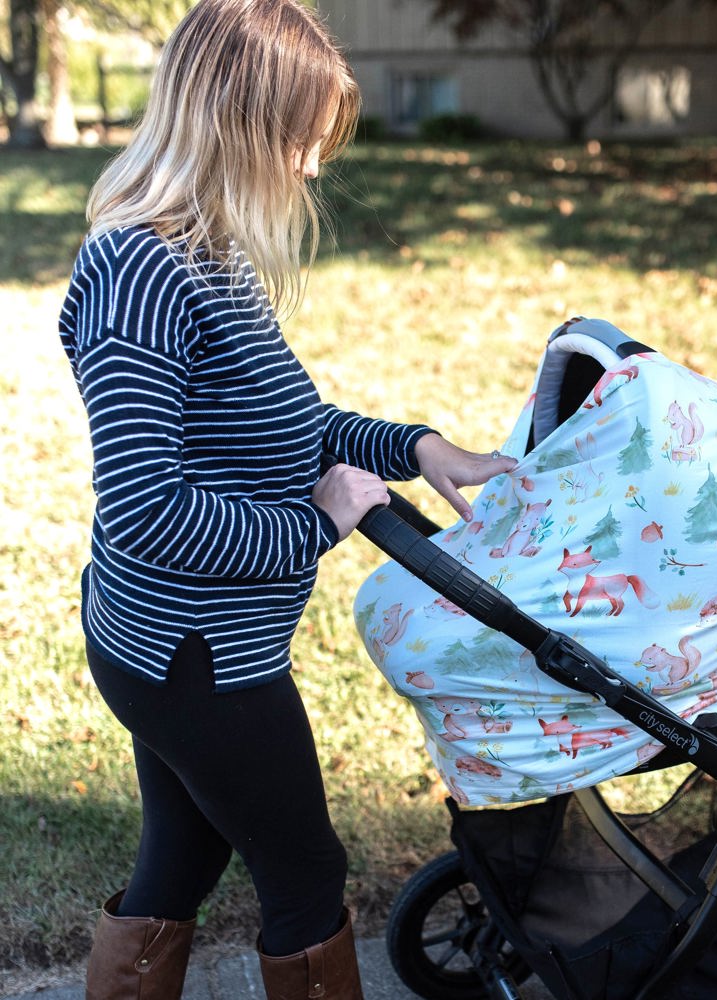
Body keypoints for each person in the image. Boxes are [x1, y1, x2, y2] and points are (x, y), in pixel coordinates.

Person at [58, 2, 516, 998]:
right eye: (301, 141)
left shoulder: (207, 254)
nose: (312, 169)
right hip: (188, 651)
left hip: (189, 644)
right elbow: (147, 508)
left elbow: (290, 425)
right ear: (236, 122)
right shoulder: (137, 271)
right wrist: (319, 523)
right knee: (303, 871)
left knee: (182, 859)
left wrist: (413, 446)